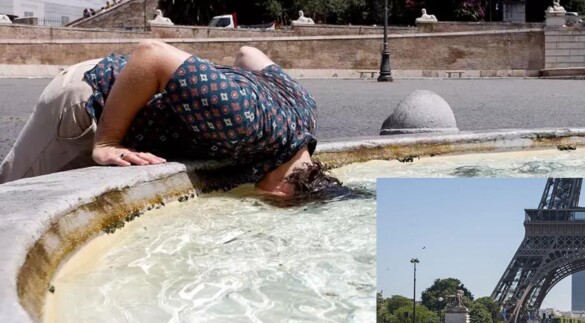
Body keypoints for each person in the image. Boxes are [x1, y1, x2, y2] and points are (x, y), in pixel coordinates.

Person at [0, 41, 337, 199]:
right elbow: (151, 53)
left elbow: (248, 53)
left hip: (121, 92)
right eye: (269, 202)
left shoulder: (305, 111)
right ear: (282, 192)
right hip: (87, 98)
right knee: (15, 198)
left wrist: (208, 85)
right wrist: (107, 142)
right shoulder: (242, 123)